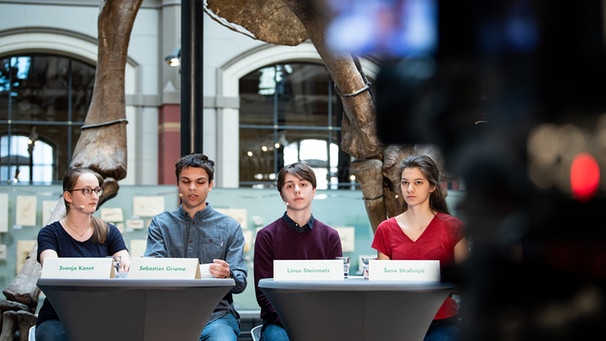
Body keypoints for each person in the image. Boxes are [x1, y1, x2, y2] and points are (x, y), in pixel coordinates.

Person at [143, 153, 247, 341]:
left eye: (200, 182)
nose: (192, 188)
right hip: (169, 315)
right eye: (186, 181)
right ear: (177, 184)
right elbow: (153, 271)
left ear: (210, 185)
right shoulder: (160, 224)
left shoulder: (230, 227)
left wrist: (228, 274)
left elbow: (240, 283)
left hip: (217, 318)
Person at [371, 154, 468, 341]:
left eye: (418, 182)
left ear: (432, 186)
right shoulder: (386, 229)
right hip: (399, 319)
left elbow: (465, 283)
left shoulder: (453, 227)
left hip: (442, 320)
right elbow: (382, 284)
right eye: (405, 182)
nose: (410, 189)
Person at [36, 167, 131, 341]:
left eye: (97, 190)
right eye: (87, 191)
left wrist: (124, 262)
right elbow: (52, 268)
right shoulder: (49, 234)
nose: (95, 196)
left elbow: (124, 262)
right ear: (68, 196)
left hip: (101, 314)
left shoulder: (109, 232)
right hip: (58, 316)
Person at [254, 161, 343, 341]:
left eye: (303, 184)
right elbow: (263, 292)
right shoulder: (266, 236)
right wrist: (294, 320)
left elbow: (337, 290)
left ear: (314, 191)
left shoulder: (330, 237)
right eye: (290, 186)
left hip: (320, 321)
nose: (297, 190)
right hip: (279, 323)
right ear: (282, 195)